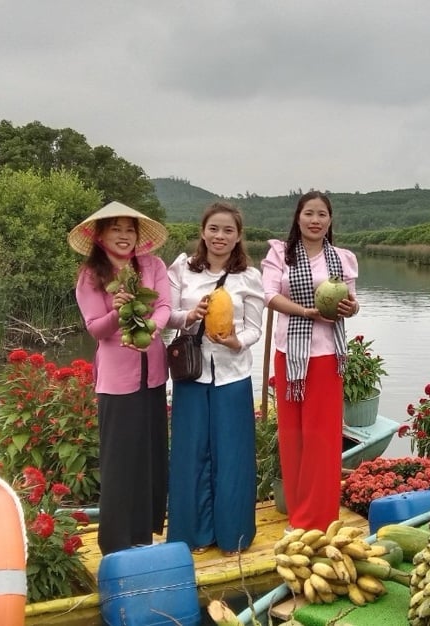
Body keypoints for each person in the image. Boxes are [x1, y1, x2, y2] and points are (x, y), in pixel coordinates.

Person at [69, 200, 172, 555]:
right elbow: (97, 330)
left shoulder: (152, 266)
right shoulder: (90, 276)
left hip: (154, 375)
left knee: (150, 455)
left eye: (130, 229)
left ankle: (144, 534)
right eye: (116, 229)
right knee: (119, 459)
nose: (125, 236)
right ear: (100, 236)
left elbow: (164, 307)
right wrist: (116, 313)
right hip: (116, 380)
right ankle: (115, 542)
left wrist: (150, 330)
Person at [166, 202, 265, 555]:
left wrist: (238, 341)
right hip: (191, 373)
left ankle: (232, 536)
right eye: (213, 229)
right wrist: (190, 315)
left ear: (238, 236)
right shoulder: (181, 269)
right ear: (202, 231)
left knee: (233, 454)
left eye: (228, 230)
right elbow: (167, 316)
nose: (219, 236)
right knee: (190, 453)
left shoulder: (248, 278)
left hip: (232, 375)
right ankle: (192, 535)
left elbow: (255, 328)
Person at [261, 191, 360, 532]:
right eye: (309, 213)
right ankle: (298, 515)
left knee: (323, 437)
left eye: (322, 214)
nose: (315, 220)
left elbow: (353, 301)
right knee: (293, 436)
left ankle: (318, 518)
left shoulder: (343, 258)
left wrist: (350, 308)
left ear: (330, 221)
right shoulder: (280, 254)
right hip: (290, 355)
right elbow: (269, 295)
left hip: (327, 355)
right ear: (298, 218)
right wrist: (304, 311)